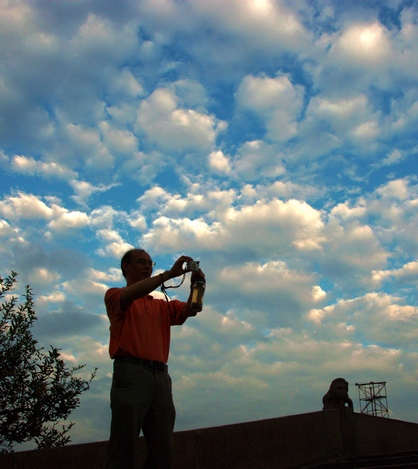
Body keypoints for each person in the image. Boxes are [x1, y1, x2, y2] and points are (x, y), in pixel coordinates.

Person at [104, 248, 205, 469]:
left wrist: (198, 286)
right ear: (126, 267)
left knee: (162, 449)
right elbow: (130, 295)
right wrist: (169, 274)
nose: (148, 267)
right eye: (141, 262)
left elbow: (193, 308)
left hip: (160, 376)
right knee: (124, 446)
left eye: (151, 263)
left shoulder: (161, 304)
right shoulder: (114, 295)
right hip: (131, 374)